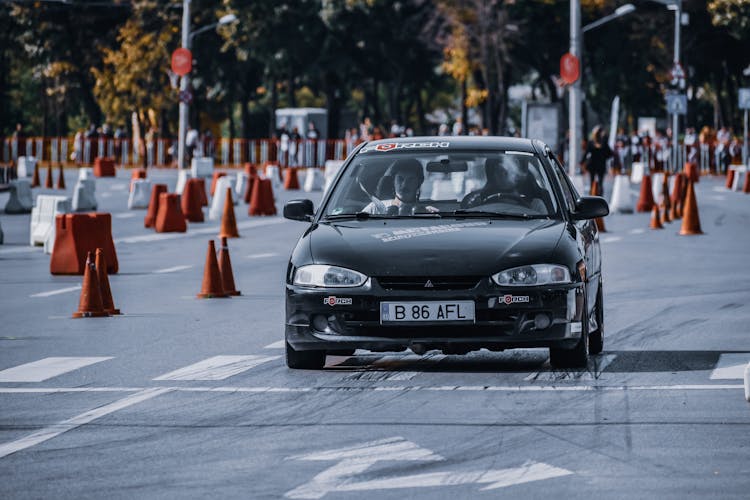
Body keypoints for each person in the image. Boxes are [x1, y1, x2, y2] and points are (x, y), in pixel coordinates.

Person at [582, 125, 613, 196]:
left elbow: (586, 153)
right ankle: (598, 196)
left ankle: (593, 196)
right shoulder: (603, 143)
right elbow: (610, 154)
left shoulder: (593, 142)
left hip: (594, 164)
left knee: (594, 182)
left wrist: (582, 162)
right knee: (599, 182)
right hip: (599, 164)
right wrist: (603, 157)